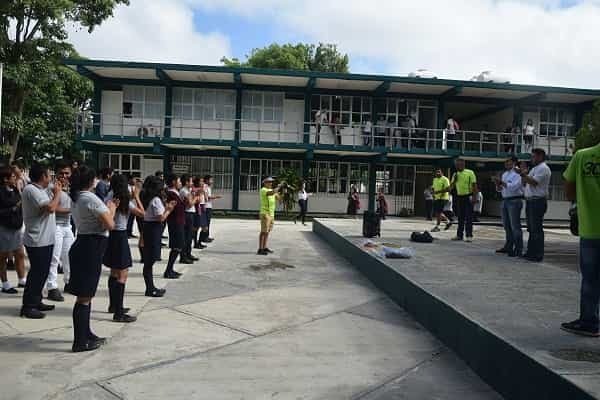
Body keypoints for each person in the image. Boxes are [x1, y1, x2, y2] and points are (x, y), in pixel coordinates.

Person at [69, 165, 117, 352]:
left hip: (84, 243)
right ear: (90, 181)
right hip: (91, 246)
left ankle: (86, 333)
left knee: (86, 295)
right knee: (84, 297)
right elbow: (110, 224)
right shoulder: (89, 197)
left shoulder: (77, 197)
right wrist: (112, 208)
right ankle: (80, 341)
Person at [561, 141, 600, 337]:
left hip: (591, 228)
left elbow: (568, 190)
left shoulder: (582, 156)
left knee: (591, 279)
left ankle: (590, 322)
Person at [20, 164, 62, 319]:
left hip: (46, 239)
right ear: (43, 176)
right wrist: (57, 193)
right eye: (48, 175)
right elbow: (50, 208)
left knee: (43, 272)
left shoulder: (40, 190)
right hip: (37, 239)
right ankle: (28, 306)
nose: (50, 178)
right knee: (37, 273)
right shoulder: (31, 190)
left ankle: (36, 301)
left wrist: (56, 189)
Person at [104, 174, 144, 323]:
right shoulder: (124, 198)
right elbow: (142, 213)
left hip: (110, 236)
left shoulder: (109, 196)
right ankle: (119, 312)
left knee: (114, 272)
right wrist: (137, 197)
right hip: (120, 236)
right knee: (123, 273)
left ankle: (113, 305)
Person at [140, 175, 175, 297]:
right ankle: (150, 288)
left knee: (150, 260)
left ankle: (150, 287)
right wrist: (169, 209)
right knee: (151, 260)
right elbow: (161, 217)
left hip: (149, 227)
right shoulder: (155, 199)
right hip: (154, 228)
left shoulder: (147, 198)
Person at [46, 161, 74, 302]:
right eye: (61, 173)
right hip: (55, 226)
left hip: (67, 226)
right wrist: (71, 210)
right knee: (54, 258)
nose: (64, 176)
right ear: (56, 174)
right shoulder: (52, 188)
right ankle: (52, 287)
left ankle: (69, 282)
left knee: (69, 256)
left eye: (67, 173)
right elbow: (52, 208)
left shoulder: (71, 188)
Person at [520, 148, 551, 262]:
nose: (531, 159)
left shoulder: (543, 168)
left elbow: (534, 182)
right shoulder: (534, 168)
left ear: (540, 157)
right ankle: (530, 252)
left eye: (533, 156)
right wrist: (523, 174)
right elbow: (525, 183)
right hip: (531, 201)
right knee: (531, 228)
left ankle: (537, 254)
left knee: (536, 228)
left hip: (537, 201)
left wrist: (523, 174)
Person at [436, 158, 478, 242]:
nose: (457, 166)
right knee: (460, 217)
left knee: (469, 217)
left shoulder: (470, 172)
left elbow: (474, 186)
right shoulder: (455, 174)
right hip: (460, 197)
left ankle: (469, 235)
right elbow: (451, 187)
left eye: (459, 164)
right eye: (456, 165)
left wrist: (474, 197)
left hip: (468, 196)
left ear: (463, 164)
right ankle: (459, 235)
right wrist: (439, 191)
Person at [0, 167, 26, 294]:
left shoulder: (15, 190)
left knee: (20, 254)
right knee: (3, 256)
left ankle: (22, 279)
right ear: (6, 179)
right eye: (13, 176)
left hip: (17, 227)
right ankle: (5, 283)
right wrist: (14, 209)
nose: (15, 178)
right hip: (4, 228)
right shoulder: (1, 192)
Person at [495, 157, 524, 257]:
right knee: (507, 226)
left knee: (515, 226)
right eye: (505, 161)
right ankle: (508, 246)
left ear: (514, 162)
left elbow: (514, 187)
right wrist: (498, 184)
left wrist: (501, 182)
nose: (506, 163)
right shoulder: (505, 174)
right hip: (505, 200)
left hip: (514, 200)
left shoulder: (518, 173)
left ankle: (518, 248)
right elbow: (501, 189)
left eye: (508, 161)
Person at [164, 173, 188, 278]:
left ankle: (170, 269)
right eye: (178, 181)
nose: (180, 183)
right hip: (175, 222)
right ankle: (168, 270)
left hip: (179, 222)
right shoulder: (171, 194)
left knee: (178, 246)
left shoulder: (175, 193)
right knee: (177, 246)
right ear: (173, 182)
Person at [258, 177, 283, 255]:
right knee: (263, 231)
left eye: (271, 182)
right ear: (264, 183)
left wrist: (284, 192)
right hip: (265, 213)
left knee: (267, 231)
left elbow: (280, 200)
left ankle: (264, 247)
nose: (270, 183)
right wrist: (279, 186)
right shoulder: (263, 190)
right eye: (268, 182)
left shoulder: (272, 190)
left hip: (271, 214)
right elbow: (271, 193)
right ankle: (260, 249)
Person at [179, 174, 198, 262]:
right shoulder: (184, 191)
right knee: (186, 236)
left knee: (189, 236)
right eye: (190, 181)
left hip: (190, 214)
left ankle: (188, 253)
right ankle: (184, 256)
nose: (192, 183)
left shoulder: (188, 190)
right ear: (186, 182)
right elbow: (190, 204)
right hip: (187, 214)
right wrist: (196, 198)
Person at [202, 175, 221, 243]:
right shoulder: (204, 186)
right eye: (211, 180)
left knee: (208, 223)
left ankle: (206, 236)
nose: (212, 181)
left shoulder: (208, 187)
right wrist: (216, 197)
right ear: (207, 180)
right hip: (206, 206)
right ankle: (203, 237)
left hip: (209, 206)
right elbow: (207, 197)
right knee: (206, 223)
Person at [192, 176, 208, 249]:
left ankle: (199, 242)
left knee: (204, 227)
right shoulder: (194, 189)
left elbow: (206, 199)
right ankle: (196, 243)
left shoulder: (202, 189)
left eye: (203, 181)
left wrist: (204, 192)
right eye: (201, 181)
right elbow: (196, 200)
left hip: (202, 207)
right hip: (198, 208)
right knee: (196, 227)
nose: (202, 183)